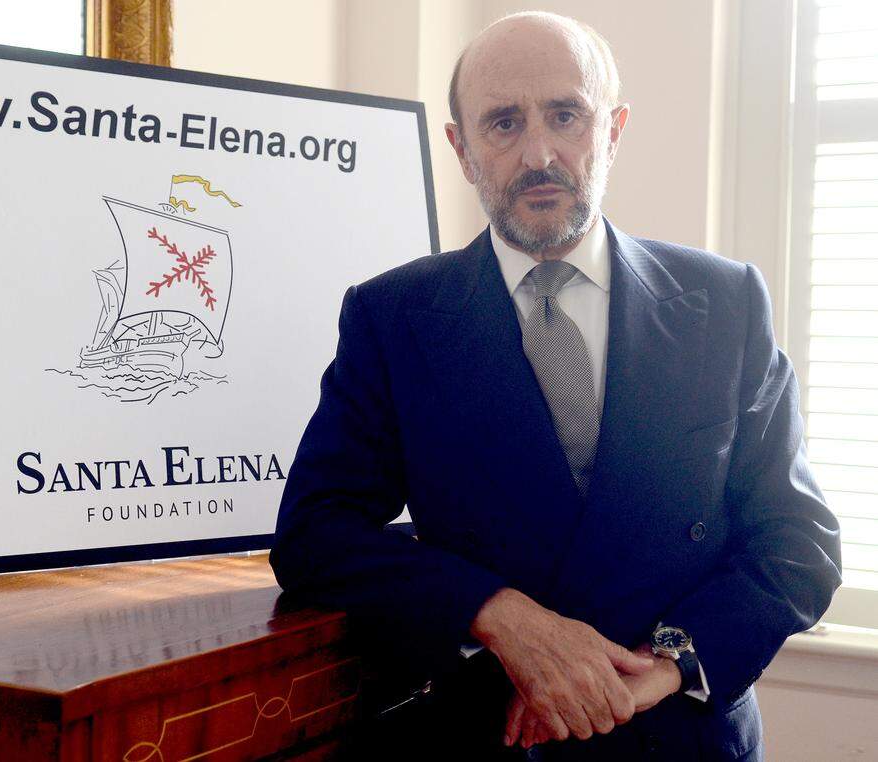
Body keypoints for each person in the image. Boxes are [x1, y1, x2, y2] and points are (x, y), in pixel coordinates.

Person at [269, 11, 842, 761]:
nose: (538, 154)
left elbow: (799, 540)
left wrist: (664, 668)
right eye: (503, 123)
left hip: (684, 738)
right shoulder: (393, 316)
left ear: (614, 130)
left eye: (566, 115)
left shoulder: (725, 302)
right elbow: (315, 534)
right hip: (491, 738)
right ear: (462, 149)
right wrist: (499, 614)